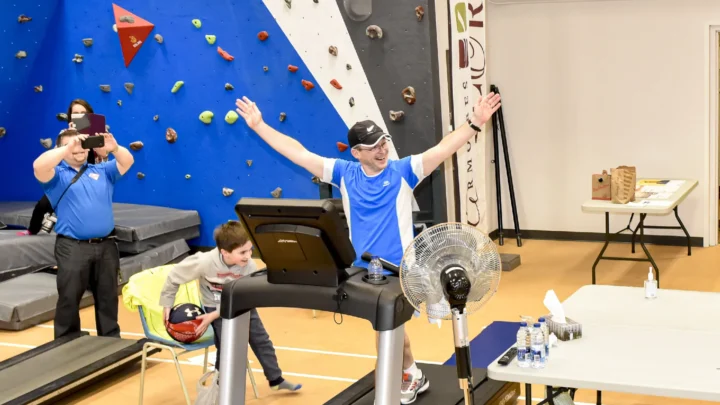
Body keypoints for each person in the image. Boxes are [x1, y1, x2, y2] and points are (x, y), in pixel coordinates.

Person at [234, 93, 501, 404]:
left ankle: (400, 380)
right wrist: (260, 126)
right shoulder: (345, 174)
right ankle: (412, 373)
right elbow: (299, 153)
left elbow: (442, 149)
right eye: (373, 146)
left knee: (385, 329)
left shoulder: (404, 171)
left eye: (383, 142)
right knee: (390, 331)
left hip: (401, 269)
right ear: (357, 152)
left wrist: (475, 122)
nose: (382, 149)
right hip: (363, 268)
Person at [158, 220, 302, 393]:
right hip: (215, 308)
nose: (248, 255)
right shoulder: (204, 262)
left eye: (250, 250)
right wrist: (167, 304)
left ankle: (276, 379)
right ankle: (220, 387)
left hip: (242, 304)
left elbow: (251, 295)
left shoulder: (249, 266)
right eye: (242, 252)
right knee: (227, 347)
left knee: (262, 341)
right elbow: (174, 277)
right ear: (224, 252)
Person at [32, 127, 134, 339]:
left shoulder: (103, 171)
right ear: (62, 148)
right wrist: (67, 147)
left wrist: (114, 148)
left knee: (108, 297)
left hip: (107, 246)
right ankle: (67, 341)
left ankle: (110, 339)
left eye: (82, 144)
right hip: (72, 247)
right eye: (73, 145)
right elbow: (38, 165)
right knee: (69, 297)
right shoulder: (56, 176)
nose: (79, 148)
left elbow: (127, 162)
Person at [29, 99, 108, 234]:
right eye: (76, 113)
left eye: (83, 112)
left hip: (91, 177)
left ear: (90, 115)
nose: (80, 116)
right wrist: (70, 137)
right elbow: (54, 156)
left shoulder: (99, 132)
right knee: (43, 204)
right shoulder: (64, 133)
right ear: (70, 116)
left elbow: (104, 157)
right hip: (68, 176)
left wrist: (94, 139)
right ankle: (31, 231)